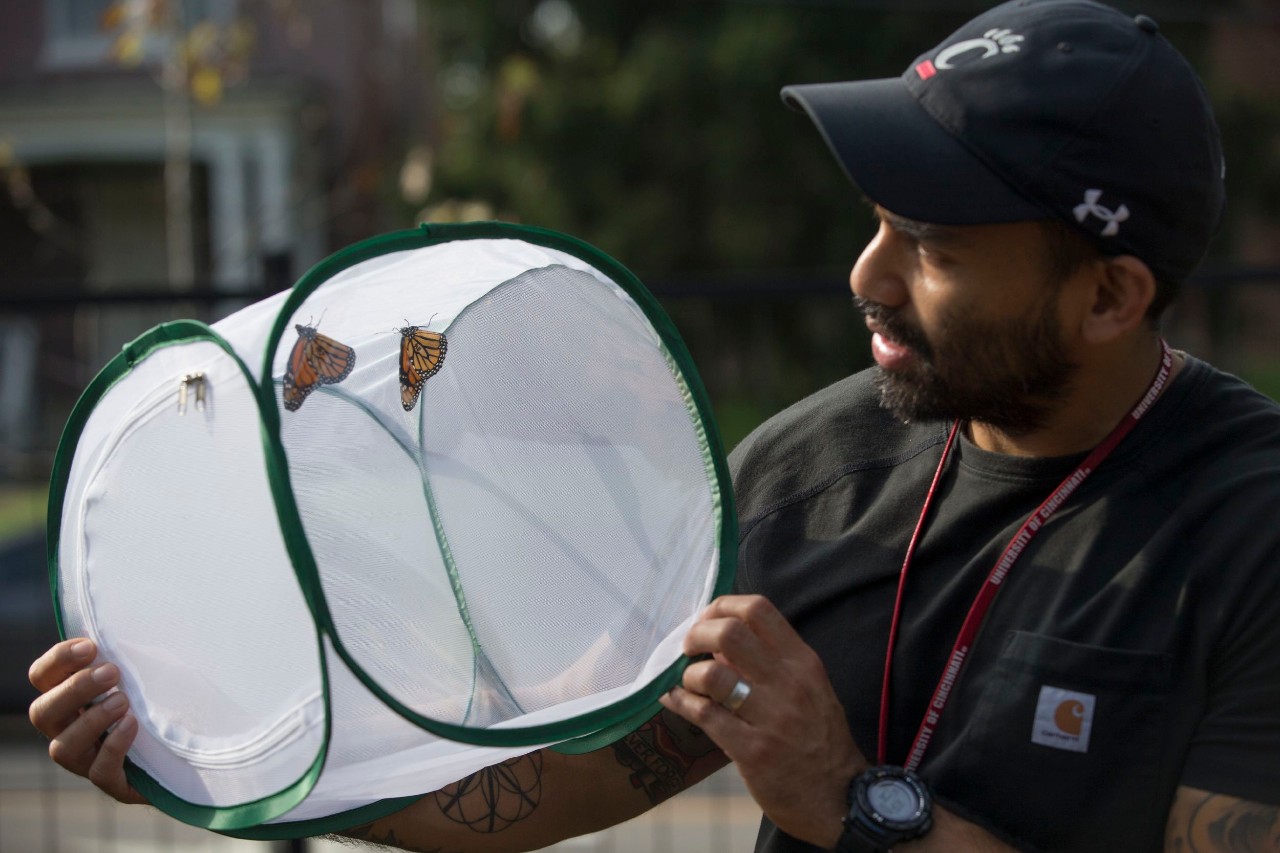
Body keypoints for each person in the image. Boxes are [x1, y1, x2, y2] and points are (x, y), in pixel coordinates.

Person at [26, 0, 1280, 850]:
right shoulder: (812, 468)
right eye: (879, 221)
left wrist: (854, 803)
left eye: (935, 248)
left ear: (1110, 294)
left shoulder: (1250, 535)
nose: (867, 275)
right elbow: (551, 782)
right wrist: (217, 769)